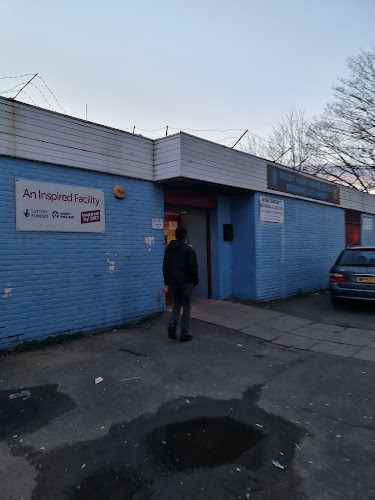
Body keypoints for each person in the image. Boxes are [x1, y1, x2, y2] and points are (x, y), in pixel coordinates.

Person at [162, 227, 198, 342]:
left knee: (177, 304)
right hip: (186, 282)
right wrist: (195, 282)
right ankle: (184, 333)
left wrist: (167, 283)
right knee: (186, 307)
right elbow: (193, 268)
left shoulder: (168, 249)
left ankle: (172, 325)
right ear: (184, 237)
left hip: (173, 283)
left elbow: (165, 267)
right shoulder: (188, 250)